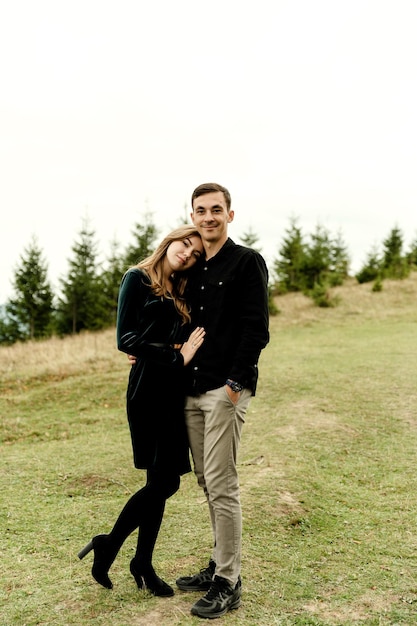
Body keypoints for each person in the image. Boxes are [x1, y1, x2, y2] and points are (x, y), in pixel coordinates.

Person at [78, 225, 205, 597]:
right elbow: (125, 339)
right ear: (170, 241)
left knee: (160, 482)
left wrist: (174, 349)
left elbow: (162, 338)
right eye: (185, 244)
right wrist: (174, 354)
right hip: (148, 391)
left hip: (174, 391)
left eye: (195, 253)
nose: (187, 254)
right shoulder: (137, 278)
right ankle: (115, 547)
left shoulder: (182, 291)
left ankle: (139, 561)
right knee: (165, 483)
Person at [174, 183, 270, 618]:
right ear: (192, 216)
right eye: (200, 210)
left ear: (230, 215)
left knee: (222, 481)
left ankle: (228, 581)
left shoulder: (247, 262)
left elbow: (256, 328)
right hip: (192, 388)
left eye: (216, 210)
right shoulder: (191, 269)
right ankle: (218, 564)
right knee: (205, 481)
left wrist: (234, 384)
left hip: (225, 390)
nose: (208, 217)